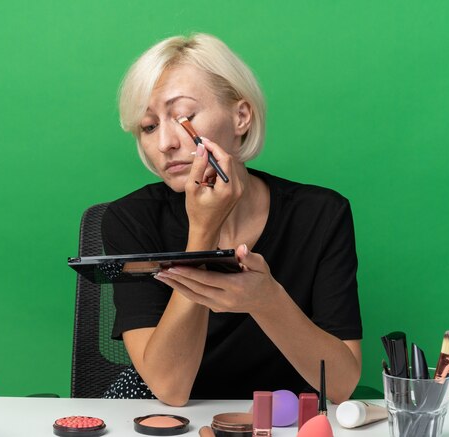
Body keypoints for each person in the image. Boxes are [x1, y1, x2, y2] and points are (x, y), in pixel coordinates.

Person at [101, 33, 362, 406]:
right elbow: (171, 389)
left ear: (241, 116)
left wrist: (267, 300)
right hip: (172, 416)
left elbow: (340, 386)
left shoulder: (321, 215)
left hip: (280, 417)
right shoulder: (130, 220)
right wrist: (203, 231)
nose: (165, 143)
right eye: (149, 126)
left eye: (184, 117)